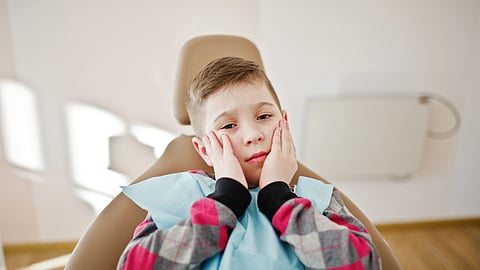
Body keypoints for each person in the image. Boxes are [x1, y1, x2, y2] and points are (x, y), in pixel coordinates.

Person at [116, 57, 381, 269]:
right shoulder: (181, 196)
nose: (254, 135)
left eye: (264, 116)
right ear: (205, 149)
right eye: (229, 125)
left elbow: (362, 264)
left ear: (284, 124)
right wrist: (226, 199)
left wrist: (279, 198)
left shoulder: (318, 199)